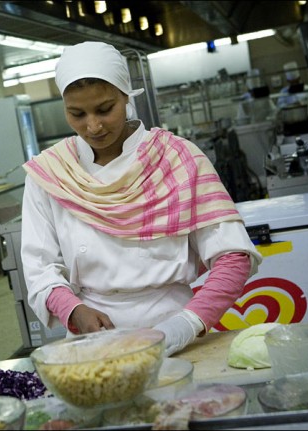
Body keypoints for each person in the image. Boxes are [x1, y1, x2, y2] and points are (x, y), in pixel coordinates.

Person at [20, 41, 263, 357]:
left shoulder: (177, 159)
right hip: (91, 341)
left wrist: (186, 324)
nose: (93, 126)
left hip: (175, 331)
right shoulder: (51, 174)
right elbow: (39, 268)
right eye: (76, 113)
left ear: (126, 96)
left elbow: (233, 257)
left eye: (105, 109)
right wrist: (73, 311)